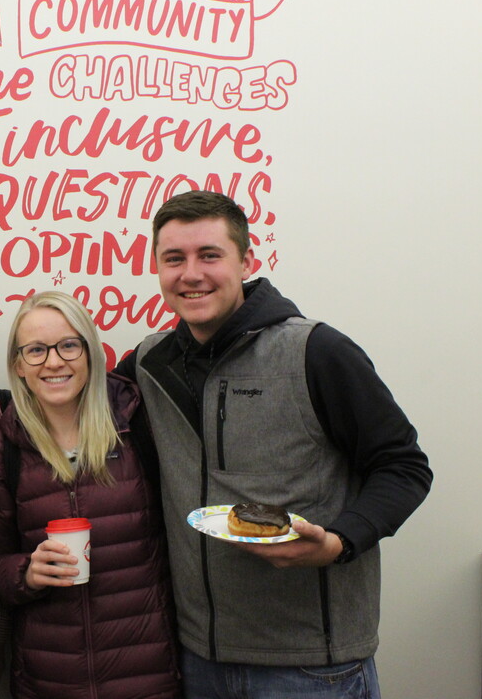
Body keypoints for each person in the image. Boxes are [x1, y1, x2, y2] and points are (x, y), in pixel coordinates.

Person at [114, 190, 433, 698]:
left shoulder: (316, 351)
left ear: (247, 260)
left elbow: (404, 466)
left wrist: (338, 541)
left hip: (312, 668)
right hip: (198, 657)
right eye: (174, 258)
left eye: (210, 255)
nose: (190, 273)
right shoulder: (149, 364)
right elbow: (76, 406)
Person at [0, 291, 181, 698]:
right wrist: (26, 573)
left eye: (69, 345)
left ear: (91, 352)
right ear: (18, 365)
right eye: (36, 350)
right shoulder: (6, 444)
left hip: (148, 673)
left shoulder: (135, 424)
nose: (54, 362)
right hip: (48, 679)